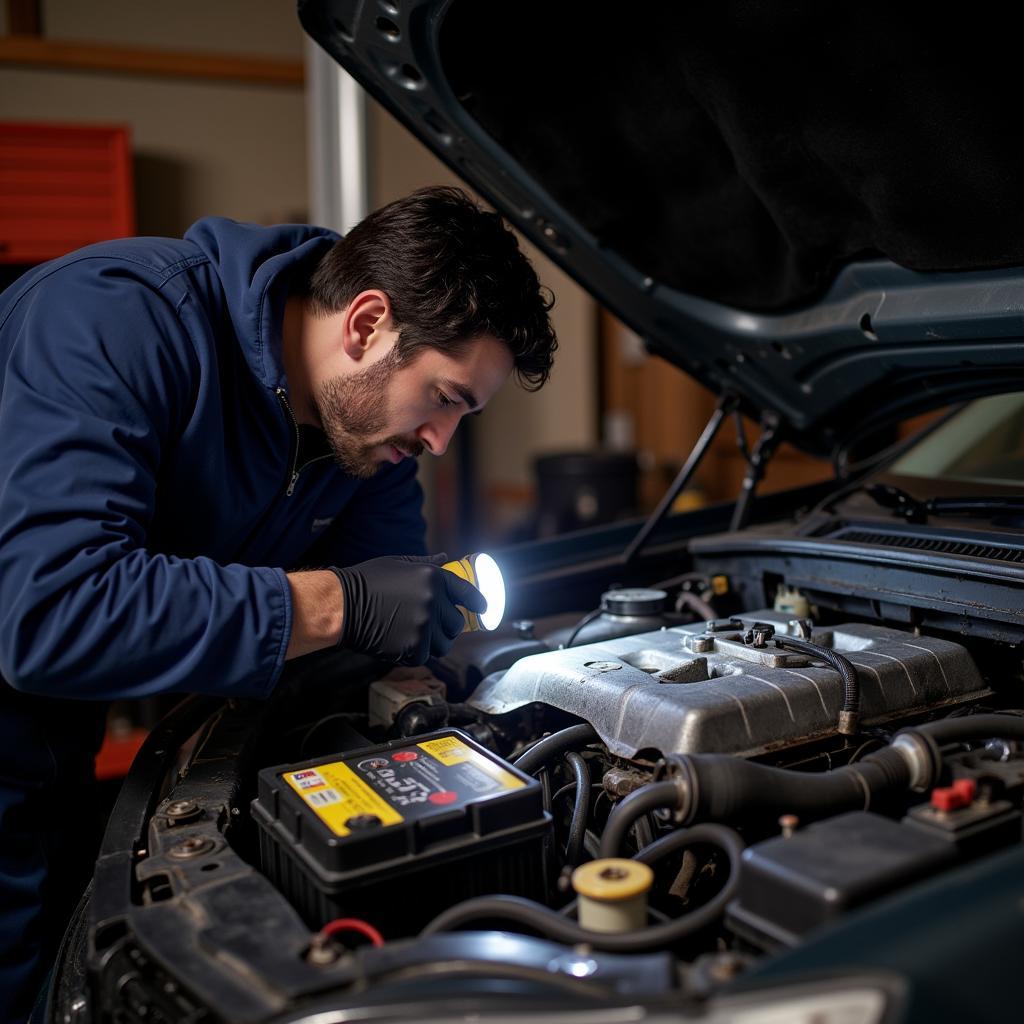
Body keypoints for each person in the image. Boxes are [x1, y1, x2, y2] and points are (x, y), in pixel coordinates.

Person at [0, 185, 557, 1019]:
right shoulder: (116, 320)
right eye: (445, 398)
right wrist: (334, 606)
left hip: (55, 742)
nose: (442, 441)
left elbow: (386, 618)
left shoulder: (363, 444)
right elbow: (52, 610)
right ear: (367, 324)